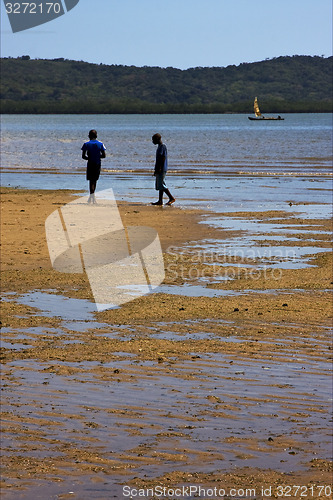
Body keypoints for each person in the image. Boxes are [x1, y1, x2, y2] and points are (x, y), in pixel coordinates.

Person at [81, 129, 106, 204]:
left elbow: (83, 156)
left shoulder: (86, 144)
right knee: (95, 180)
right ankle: (92, 197)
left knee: (91, 181)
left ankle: (92, 197)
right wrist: (97, 157)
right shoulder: (100, 144)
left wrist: (90, 158)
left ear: (89, 136)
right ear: (96, 136)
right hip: (97, 163)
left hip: (90, 163)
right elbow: (104, 155)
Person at [151, 133, 175, 206]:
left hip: (162, 168)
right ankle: (160, 201)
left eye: (153, 140)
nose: (153, 141)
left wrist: (160, 168)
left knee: (161, 184)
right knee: (159, 185)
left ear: (158, 139)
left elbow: (162, 158)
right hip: (159, 168)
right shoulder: (159, 147)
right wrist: (156, 169)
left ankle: (171, 198)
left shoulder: (162, 147)